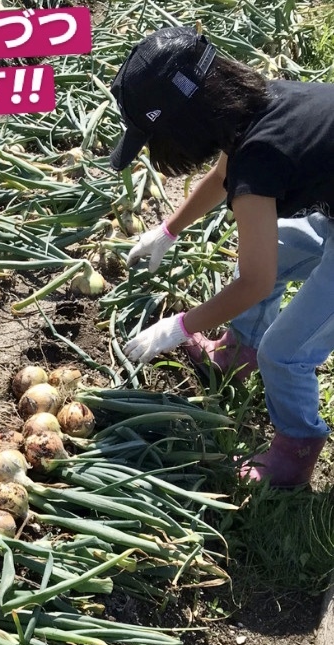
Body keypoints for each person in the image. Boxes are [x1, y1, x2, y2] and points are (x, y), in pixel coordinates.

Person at [108, 25, 334, 488]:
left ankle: (296, 451)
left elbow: (256, 280)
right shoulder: (258, 105)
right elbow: (223, 176)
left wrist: (180, 326)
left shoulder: (261, 154)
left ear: (183, 124)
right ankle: (241, 349)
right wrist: (169, 230)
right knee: (277, 250)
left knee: (287, 352)